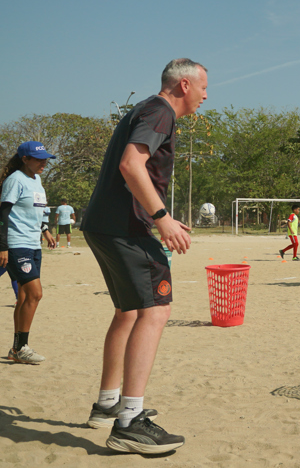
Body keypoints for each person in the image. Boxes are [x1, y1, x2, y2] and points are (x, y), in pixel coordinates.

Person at [81, 58, 206, 453]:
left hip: (104, 224)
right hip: (127, 229)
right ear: (184, 85)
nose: (206, 95)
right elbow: (130, 164)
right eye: (204, 87)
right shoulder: (160, 110)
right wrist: (163, 218)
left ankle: (108, 403)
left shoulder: (146, 109)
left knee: (129, 311)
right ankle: (130, 422)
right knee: (156, 309)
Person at [0, 141, 58, 363]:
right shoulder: (15, 180)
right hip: (16, 243)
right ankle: (22, 348)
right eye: (39, 159)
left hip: (33, 243)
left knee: (23, 296)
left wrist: (46, 231)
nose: (44, 163)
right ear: (24, 159)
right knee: (35, 294)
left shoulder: (37, 180)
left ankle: (15, 349)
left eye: (45, 159)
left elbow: (38, 210)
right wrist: (3, 246)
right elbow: (3, 213)